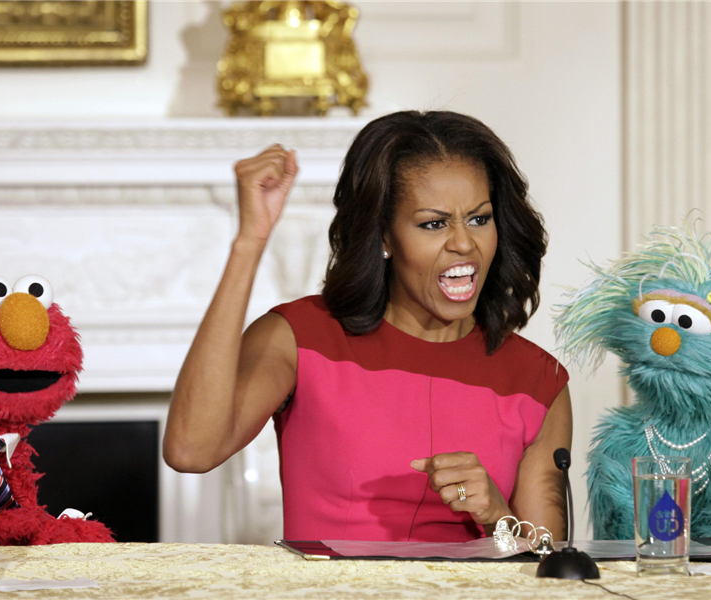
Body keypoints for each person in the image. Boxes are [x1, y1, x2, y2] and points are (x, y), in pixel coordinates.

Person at [163, 111, 572, 543]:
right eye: (433, 223)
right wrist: (251, 241)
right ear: (383, 236)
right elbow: (192, 450)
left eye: (479, 218)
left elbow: (548, 567)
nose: (464, 243)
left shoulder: (538, 381)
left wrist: (496, 514)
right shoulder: (300, 339)